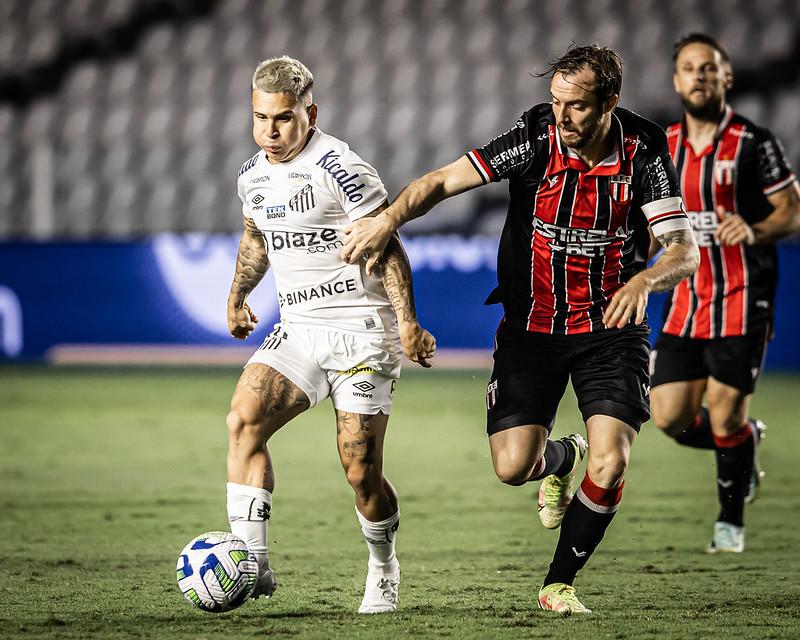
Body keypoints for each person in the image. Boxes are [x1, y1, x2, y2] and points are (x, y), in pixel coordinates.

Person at [342, 45, 700, 615]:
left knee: (612, 460)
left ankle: (559, 582)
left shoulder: (643, 148)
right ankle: (561, 459)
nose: (561, 117)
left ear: (610, 102)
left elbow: (684, 251)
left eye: (577, 106)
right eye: (555, 102)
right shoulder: (535, 135)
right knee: (513, 467)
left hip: (610, 326)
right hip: (531, 329)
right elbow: (441, 181)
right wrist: (389, 218)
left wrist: (645, 283)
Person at [224, 56, 436, 614]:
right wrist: (237, 295)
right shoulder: (252, 175)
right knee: (244, 418)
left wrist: (408, 322)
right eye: (260, 117)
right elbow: (256, 239)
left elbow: (388, 246)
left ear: (309, 113)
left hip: (362, 333)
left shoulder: (342, 168)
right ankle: (250, 563)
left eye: (284, 118)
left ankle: (383, 566)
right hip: (298, 327)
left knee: (360, 469)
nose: (270, 131)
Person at [649, 34, 800, 553]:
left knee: (727, 411)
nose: (699, 77)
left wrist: (755, 229)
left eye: (709, 69)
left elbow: (792, 211)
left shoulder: (754, 143)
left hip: (742, 297)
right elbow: (650, 220)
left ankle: (729, 523)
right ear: (676, 80)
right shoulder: (662, 146)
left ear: (726, 78)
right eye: (690, 68)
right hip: (686, 301)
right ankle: (744, 444)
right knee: (668, 415)